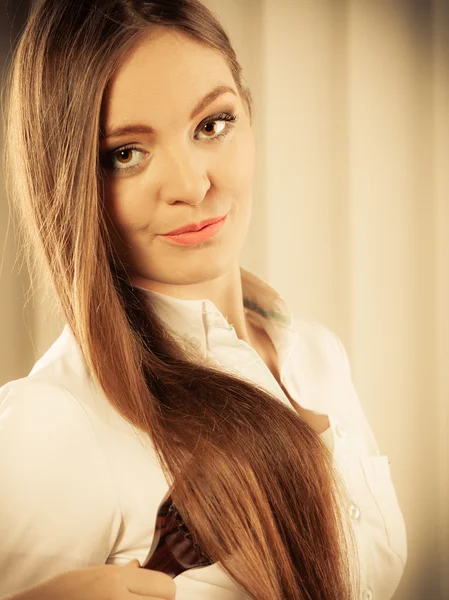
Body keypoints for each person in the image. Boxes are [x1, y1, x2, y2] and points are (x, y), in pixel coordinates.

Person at [0, 0, 407, 598]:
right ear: (69, 183)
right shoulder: (54, 423)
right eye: (126, 154)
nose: (193, 185)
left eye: (212, 124)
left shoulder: (317, 354)